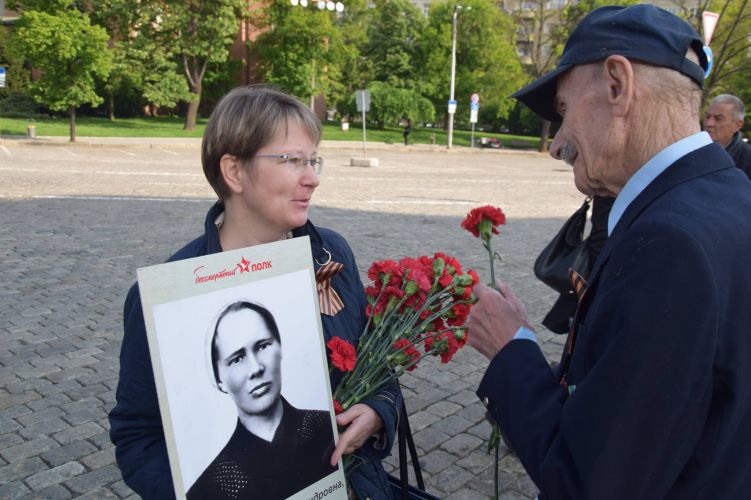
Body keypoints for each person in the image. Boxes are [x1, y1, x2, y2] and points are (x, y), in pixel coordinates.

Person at [467, 5, 751, 499]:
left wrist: (510, 350)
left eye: (563, 111)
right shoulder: (731, 196)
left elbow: (590, 481)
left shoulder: (669, 243)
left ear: (617, 84)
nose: (557, 145)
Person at [109, 86, 402, 500]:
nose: (312, 178)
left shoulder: (330, 254)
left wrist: (377, 412)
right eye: (290, 160)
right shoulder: (168, 296)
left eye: (313, 159)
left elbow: (377, 361)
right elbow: (137, 438)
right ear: (233, 172)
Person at [187, 301, 336, 499]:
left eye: (263, 346)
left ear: (280, 347)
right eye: (237, 359)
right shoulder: (207, 489)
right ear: (219, 380)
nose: (256, 368)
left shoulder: (327, 427)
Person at [703, 94, 751, 178]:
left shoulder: (747, 158)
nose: (708, 123)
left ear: (737, 125)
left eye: (718, 118)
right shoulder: (692, 149)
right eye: (707, 117)